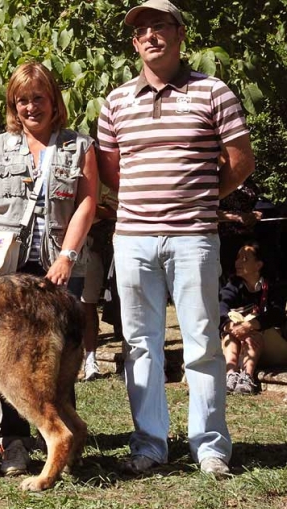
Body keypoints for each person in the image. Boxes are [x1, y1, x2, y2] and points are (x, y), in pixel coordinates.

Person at [97, 0, 255, 477]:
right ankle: (149, 444)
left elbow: (240, 161)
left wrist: (202, 194)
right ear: (134, 43)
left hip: (193, 238)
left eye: (159, 25)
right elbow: (111, 170)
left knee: (202, 341)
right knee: (139, 343)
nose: (150, 35)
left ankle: (210, 447)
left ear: (179, 33)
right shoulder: (116, 100)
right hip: (133, 239)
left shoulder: (214, 92)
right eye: (141, 29)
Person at [0, 61, 98, 473]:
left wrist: (67, 254)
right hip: (6, 265)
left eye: (39, 98)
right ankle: (12, 442)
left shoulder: (78, 145)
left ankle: (63, 441)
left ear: (54, 101)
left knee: (58, 355)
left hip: (58, 262)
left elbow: (86, 202)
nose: (31, 107)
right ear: (14, 104)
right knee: (7, 357)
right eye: (22, 100)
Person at [220, 240, 287, 394]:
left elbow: (276, 314)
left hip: (273, 349)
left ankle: (247, 376)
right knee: (233, 323)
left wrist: (250, 325)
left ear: (259, 265)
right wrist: (231, 326)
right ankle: (230, 375)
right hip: (240, 345)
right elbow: (220, 308)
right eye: (237, 257)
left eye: (245, 259)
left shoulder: (274, 286)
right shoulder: (233, 286)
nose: (238, 262)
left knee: (251, 326)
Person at [79, 183, 118, 381]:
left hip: (88, 247)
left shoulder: (102, 182)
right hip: (54, 244)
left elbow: (115, 210)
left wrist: (88, 206)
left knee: (88, 304)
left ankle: (90, 360)